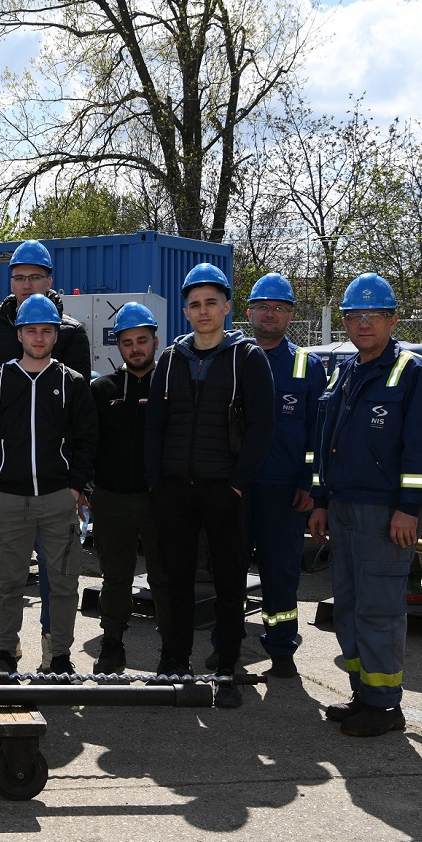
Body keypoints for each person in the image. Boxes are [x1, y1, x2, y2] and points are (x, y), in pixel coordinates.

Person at [309, 274, 422, 737]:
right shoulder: (345, 370)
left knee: (380, 609)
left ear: (392, 320)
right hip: (343, 507)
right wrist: (321, 501)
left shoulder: (416, 373)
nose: (363, 323)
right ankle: (364, 693)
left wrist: (410, 507)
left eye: (374, 315)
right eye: (354, 315)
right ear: (345, 322)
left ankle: (386, 707)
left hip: (386, 514)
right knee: (349, 606)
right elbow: (324, 445)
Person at [145, 263, 274, 708]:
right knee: (175, 579)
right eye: (195, 304)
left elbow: (261, 428)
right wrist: (157, 483)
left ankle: (226, 668)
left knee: (229, 581)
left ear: (227, 308)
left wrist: (238, 483)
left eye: (211, 303)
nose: (203, 311)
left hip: (224, 489)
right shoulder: (170, 360)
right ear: (185, 312)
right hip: (175, 489)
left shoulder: (247, 358)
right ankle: (173, 662)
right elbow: (155, 426)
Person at [0, 239, 92, 667]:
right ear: (18, 333)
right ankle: (6, 648)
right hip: (9, 496)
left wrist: (76, 487)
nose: (39, 337)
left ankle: (57, 653)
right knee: (8, 581)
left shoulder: (71, 374)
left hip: (58, 495)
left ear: (56, 333)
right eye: (31, 331)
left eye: (46, 331)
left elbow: (84, 431)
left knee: (63, 581)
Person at [243, 274, 327, 679]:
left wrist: (310, 485)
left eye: (279, 307)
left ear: (291, 315)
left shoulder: (306, 366)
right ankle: (225, 645)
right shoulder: (233, 357)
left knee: (281, 574)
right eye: (263, 306)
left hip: (284, 492)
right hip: (237, 488)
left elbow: (318, 433)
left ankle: (281, 651)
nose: (270, 313)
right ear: (249, 313)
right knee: (228, 571)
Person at [88, 302, 170, 674]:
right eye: (127, 342)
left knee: (164, 577)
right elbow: (87, 443)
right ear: (117, 346)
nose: (135, 348)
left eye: (142, 340)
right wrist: (87, 489)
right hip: (112, 500)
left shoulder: (171, 388)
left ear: (155, 341)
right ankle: (111, 645)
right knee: (115, 577)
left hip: (160, 501)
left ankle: (171, 652)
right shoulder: (101, 389)